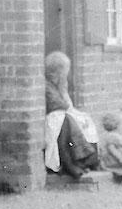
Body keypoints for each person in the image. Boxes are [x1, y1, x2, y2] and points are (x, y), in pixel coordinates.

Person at [43, 51, 101, 179]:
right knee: (67, 121)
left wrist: (63, 90)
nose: (66, 73)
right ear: (58, 70)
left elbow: (68, 105)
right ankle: (69, 163)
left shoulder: (58, 84)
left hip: (59, 117)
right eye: (65, 70)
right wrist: (62, 92)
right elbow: (58, 105)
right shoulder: (46, 85)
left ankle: (87, 160)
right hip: (50, 119)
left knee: (83, 118)